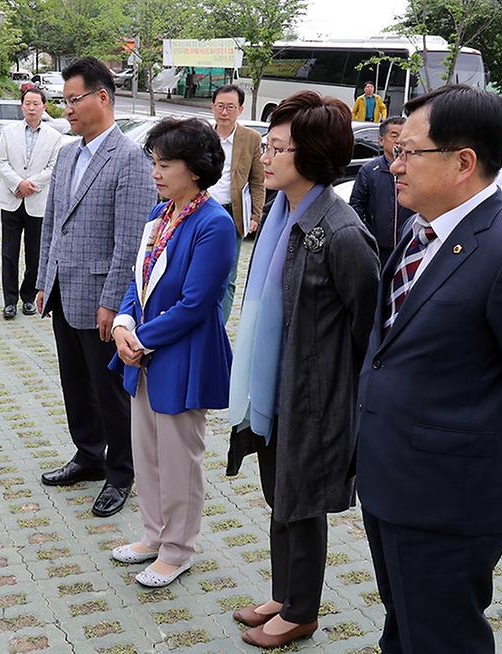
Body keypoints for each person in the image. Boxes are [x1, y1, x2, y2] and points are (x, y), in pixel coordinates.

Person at [355, 85, 502, 654]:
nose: (393, 163)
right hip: (392, 478)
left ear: (463, 162)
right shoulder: (422, 229)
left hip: (450, 496)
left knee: (444, 637)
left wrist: (468, 430)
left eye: (409, 152)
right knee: (405, 625)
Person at [226, 91, 380, 649]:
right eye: (267, 145)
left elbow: (369, 325)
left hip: (315, 395)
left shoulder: (338, 231)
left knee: (302, 499)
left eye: (278, 148)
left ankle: (302, 609)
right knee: (278, 491)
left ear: (311, 155)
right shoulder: (285, 215)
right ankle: (282, 591)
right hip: (276, 385)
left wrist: (346, 394)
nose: (266, 157)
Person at [108, 117, 234, 588]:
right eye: (154, 163)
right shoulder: (159, 216)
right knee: (148, 451)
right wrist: (124, 323)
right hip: (144, 352)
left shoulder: (213, 223)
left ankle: (179, 549)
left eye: (166, 165)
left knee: (180, 457)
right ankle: (153, 535)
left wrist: (141, 338)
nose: (156, 173)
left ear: (196, 170)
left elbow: (197, 303)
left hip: (182, 355)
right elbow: (137, 282)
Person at [35, 56, 157, 518]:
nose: (65, 109)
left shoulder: (130, 159)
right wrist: (45, 280)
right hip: (64, 289)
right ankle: (88, 454)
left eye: (73, 99)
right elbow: (53, 225)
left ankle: (121, 472)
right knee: (75, 382)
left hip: (100, 296)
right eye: (62, 101)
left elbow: (130, 241)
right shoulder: (67, 153)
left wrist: (112, 302)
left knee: (109, 388)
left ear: (102, 97)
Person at [0, 85, 62, 320]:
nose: (31, 108)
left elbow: (53, 167)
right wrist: (17, 184)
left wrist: (29, 184)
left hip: (37, 201)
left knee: (35, 254)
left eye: (36, 104)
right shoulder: (8, 131)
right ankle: (9, 301)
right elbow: (1, 161)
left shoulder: (54, 136)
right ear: (21, 105)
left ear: (44, 106)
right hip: (11, 200)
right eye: (27, 103)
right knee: (9, 254)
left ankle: (29, 297)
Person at [206, 84, 266, 323]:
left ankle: (219, 324)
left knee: (228, 275)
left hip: (233, 213)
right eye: (220, 106)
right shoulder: (203, 135)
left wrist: (255, 216)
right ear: (212, 107)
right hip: (202, 209)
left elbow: (258, 182)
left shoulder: (250, 139)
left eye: (230, 107)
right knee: (199, 270)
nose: (224, 112)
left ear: (240, 109)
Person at [350, 117, 412, 266]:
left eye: (403, 136)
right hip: (378, 248)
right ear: (381, 140)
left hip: (408, 245)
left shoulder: (415, 169)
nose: (398, 141)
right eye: (394, 135)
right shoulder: (369, 170)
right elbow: (356, 207)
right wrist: (365, 237)